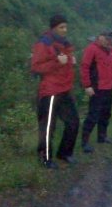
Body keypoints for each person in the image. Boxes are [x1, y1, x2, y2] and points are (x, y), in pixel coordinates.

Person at [31, 14, 79, 169]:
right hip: (50, 91)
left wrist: (71, 61)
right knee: (48, 127)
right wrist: (57, 62)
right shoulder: (44, 43)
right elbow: (36, 67)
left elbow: (65, 63)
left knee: (73, 122)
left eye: (65, 26)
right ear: (53, 28)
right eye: (61, 27)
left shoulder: (65, 43)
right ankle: (45, 158)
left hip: (65, 89)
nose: (65, 30)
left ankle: (64, 153)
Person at [80, 30, 112, 153]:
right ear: (100, 37)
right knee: (93, 115)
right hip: (97, 88)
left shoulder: (111, 50)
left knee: (105, 114)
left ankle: (102, 137)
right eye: (106, 38)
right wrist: (87, 85)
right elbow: (84, 67)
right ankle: (84, 142)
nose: (108, 41)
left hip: (109, 87)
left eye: (110, 39)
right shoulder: (92, 49)